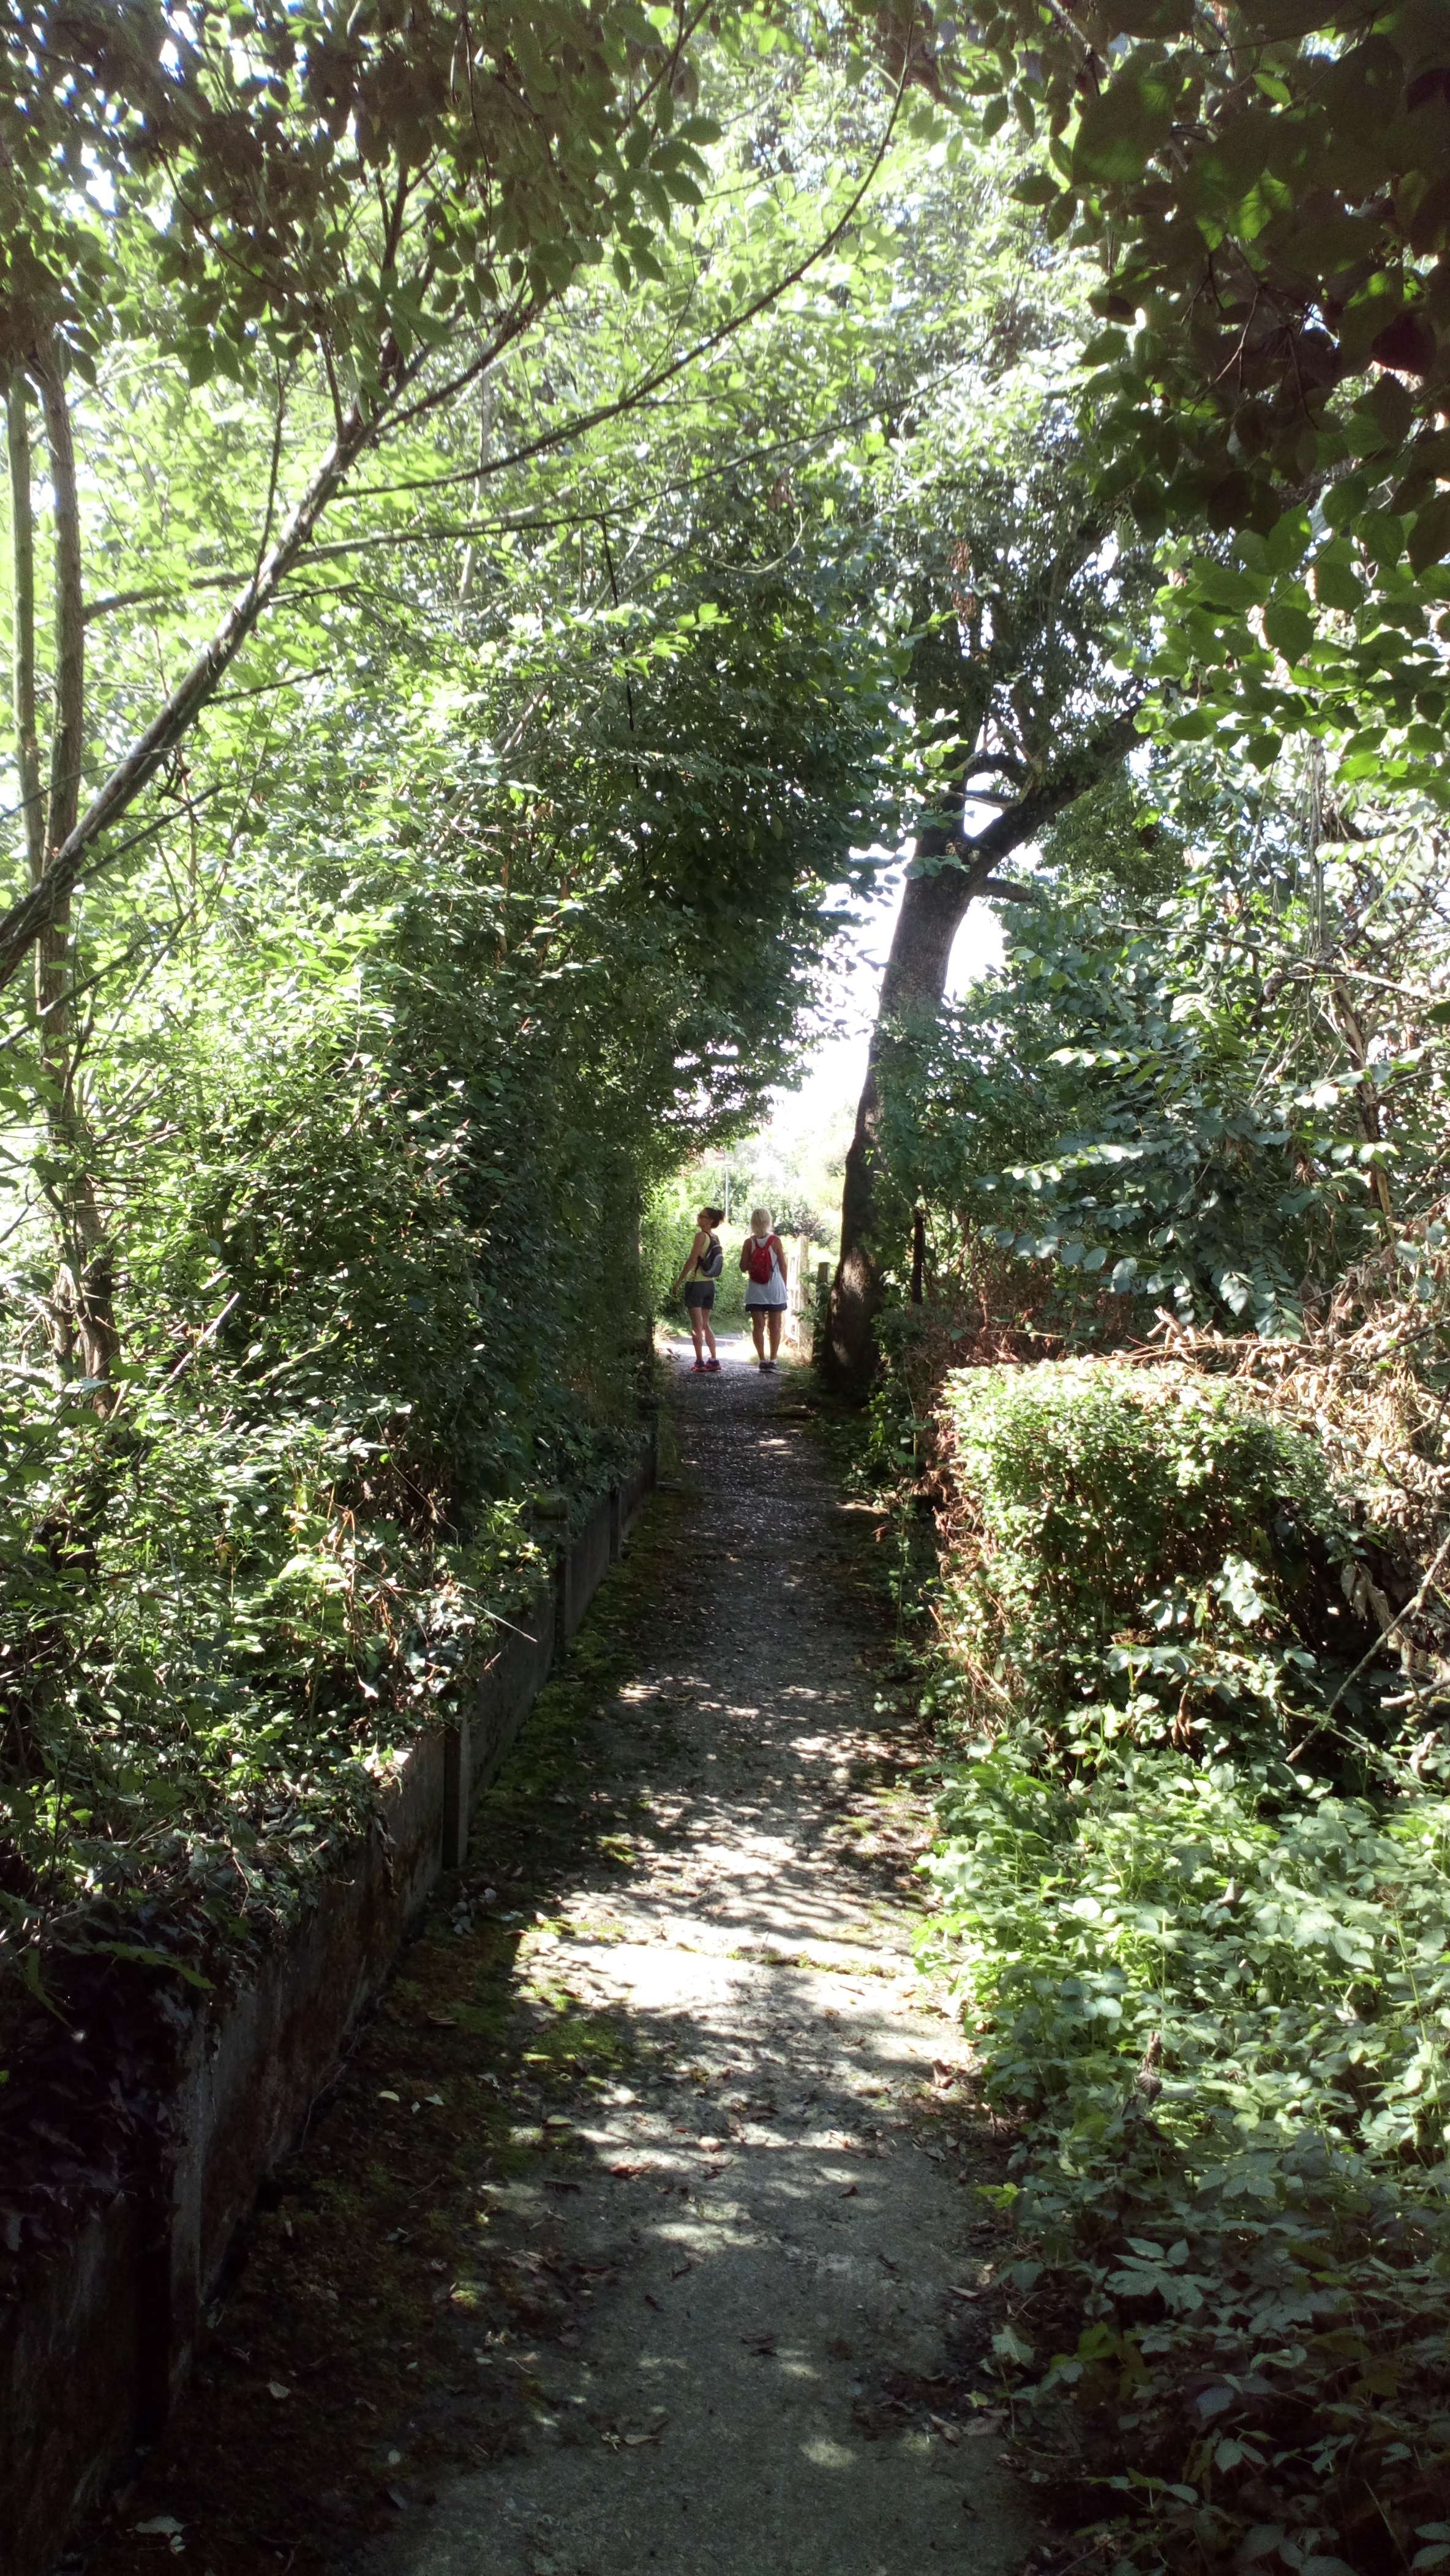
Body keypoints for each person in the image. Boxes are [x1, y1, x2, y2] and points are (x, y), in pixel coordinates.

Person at [671, 1205, 725, 1372]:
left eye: (702, 1216)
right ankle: (714, 1360)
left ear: (709, 1222)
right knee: (705, 1325)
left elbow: (692, 1260)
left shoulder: (701, 1236)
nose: (698, 1218)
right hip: (710, 1285)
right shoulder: (715, 1238)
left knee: (696, 1326)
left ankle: (700, 1361)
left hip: (696, 1284)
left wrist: (679, 1282)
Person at [740, 1207, 788, 1371]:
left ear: (753, 1222)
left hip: (755, 1290)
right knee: (775, 1326)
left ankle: (762, 1360)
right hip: (774, 1288)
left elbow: (742, 1267)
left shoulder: (749, 1243)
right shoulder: (776, 1241)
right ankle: (773, 1360)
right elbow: (783, 1265)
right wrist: (784, 1286)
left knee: (758, 1326)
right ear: (768, 1222)